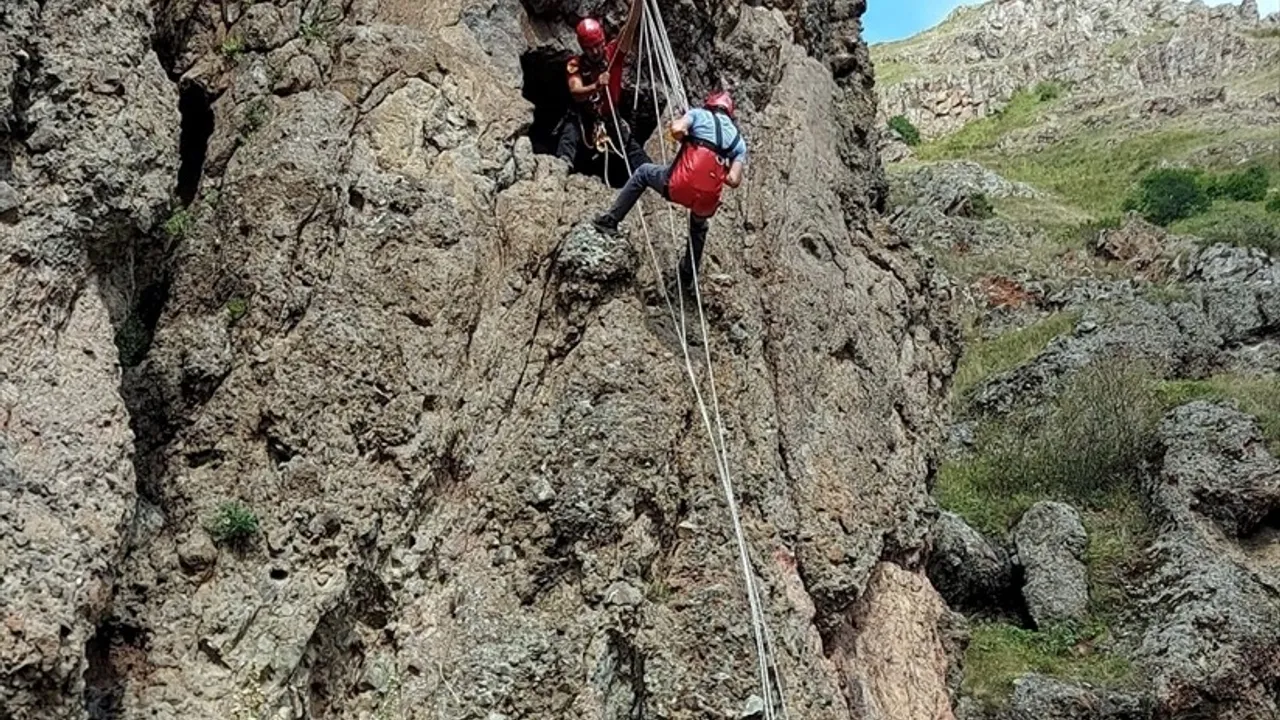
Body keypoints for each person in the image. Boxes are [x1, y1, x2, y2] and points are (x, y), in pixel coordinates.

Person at [592, 90, 747, 289]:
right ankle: (688, 275)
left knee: (643, 173)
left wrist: (686, 134)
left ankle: (610, 220)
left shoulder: (698, 114)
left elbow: (676, 130)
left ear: (710, 104)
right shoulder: (738, 142)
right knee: (699, 226)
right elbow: (734, 180)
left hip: (679, 184)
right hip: (706, 200)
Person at [555, 6, 651, 174]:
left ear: (603, 41)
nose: (594, 51)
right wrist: (596, 86)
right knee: (570, 131)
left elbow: (630, 26)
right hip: (584, 115)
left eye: (597, 45)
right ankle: (561, 166)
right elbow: (576, 92)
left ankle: (649, 172)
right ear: (582, 48)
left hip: (610, 115)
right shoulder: (575, 64)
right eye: (589, 48)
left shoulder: (614, 54)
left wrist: (638, 4)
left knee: (629, 145)